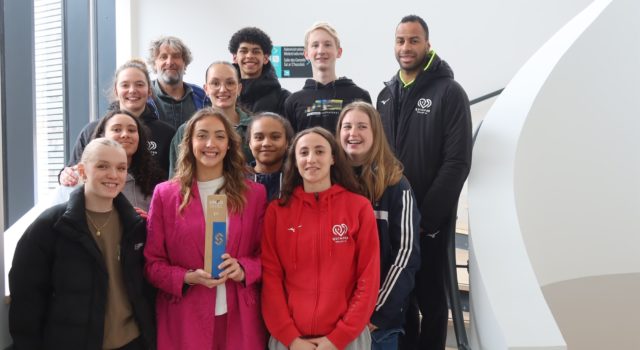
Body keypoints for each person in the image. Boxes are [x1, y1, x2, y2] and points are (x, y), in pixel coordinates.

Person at [376, 15, 472, 349]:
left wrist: (425, 218)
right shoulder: (385, 95)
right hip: (393, 220)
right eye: (400, 40)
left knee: (432, 304)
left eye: (413, 40)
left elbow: (457, 162)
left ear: (427, 44)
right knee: (400, 303)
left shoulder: (450, 92)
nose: (406, 47)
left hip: (430, 223)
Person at [9, 138, 156, 349]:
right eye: (102, 166)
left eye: (121, 168)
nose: (113, 175)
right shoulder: (49, 227)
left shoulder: (136, 226)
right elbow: (26, 300)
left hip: (132, 342)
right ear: (82, 171)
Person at [144, 107, 267, 350]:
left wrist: (243, 269)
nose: (210, 143)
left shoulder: (254, 195)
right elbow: (152, 264)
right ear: (189, 142)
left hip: (240, 318)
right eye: (202, 135)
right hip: (186, 318)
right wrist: (186, 277)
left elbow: (268, 257)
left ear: (229, 145)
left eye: (219, 136)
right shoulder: (165, 195)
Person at [261, 127, 380, 350]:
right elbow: (271, 278)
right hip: (290, 341)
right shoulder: (277, 212)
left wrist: (338, 338)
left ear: (333, 157)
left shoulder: (358, 208)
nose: (311, 159)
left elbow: (368, 277)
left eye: (319, 151)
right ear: (295, 161)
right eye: (303, 152)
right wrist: (291, 338)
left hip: (346, 340)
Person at [336, 102, 421, 350]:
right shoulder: (327, 181)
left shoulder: (397, 186)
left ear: (375, 134)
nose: (353, 133)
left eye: (362, 126)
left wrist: (375, 312)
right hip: (333, 319)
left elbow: (406, 256)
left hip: (377, 325)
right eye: (347, 126)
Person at [66, 59, 175, 176]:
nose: (132, 90)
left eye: (139, 84)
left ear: (149, 90)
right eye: (125, 85)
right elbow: (73, 173)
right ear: (116, 91)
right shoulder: (92, 131)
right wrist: (65, 174)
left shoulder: (167, 133)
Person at [60, 110, 164, 215]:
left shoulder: (154, 181)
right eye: (117, 129)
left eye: (131, 130)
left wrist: (150, 222)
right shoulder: (78, 177)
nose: (125, 135)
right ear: (102, 135)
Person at [284, 22, 371, 134]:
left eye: (327, 45)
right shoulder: (293, 101)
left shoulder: (359, 96)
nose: (321, 51)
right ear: (306, 54)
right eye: (315, 45)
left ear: (339, 52)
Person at [169, 61, 253, 176]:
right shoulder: (186, 130)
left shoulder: (254, 128)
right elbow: (176, 180)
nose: (223, 89)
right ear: (206, 89)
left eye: (230, 83)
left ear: (239, 88)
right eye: (215, 83)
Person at [147, 36, 209, 129]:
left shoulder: (202, 97)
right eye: (163, 57)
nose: (170, 62)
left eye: (176, 56)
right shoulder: (144, 96)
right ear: (154, 64)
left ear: (185, 63)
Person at [229, 27, 291, 116]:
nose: (249, 56)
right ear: (235, 57)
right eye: (244, 51)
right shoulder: (225, 95)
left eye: (256, 51)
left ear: (265, 58)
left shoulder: (283, 98)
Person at [246, 112, 293, 201]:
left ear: (287, 143)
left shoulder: (297, 180)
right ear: (250, 143)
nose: (266, 143)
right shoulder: (235, 181)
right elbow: (217, 215)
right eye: (259, 137)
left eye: (275, 137)